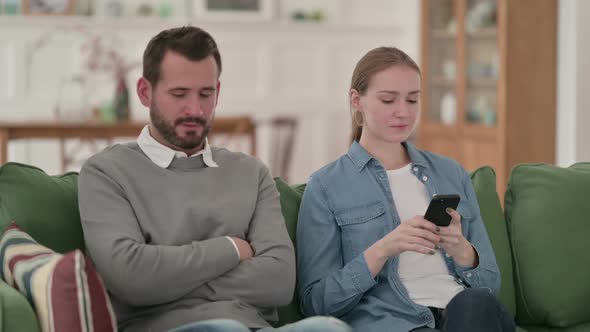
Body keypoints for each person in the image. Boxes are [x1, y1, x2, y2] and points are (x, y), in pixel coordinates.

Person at [78, 26, 351, 332]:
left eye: (205, 94)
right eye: (179, 94)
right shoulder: (106, 173)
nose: (195, 109)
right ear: (145, 92)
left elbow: (279, 281)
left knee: (329, 328)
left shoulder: (251, 173)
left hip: (255, 328)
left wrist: (168, 283)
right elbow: (131, 278)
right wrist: (231, 249)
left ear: (217, 92)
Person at [296, 47, 516, 332]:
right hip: (394, 323)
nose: (403, 112)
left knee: (472, 304)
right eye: (388, 100)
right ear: (356, 101)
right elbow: (316, 303)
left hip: (469, 316)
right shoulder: (326, 187)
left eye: (413, 99)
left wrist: (462, 249)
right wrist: (382, 250)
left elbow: (490, 286)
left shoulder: (451, 173)